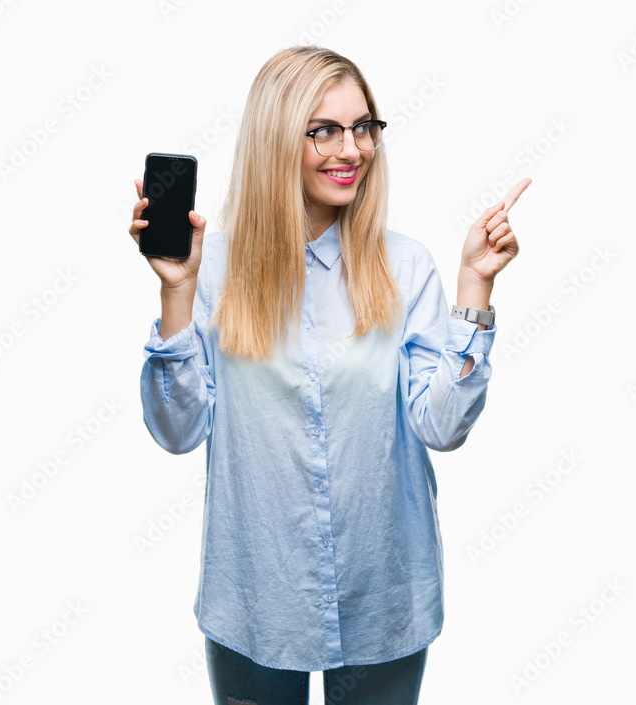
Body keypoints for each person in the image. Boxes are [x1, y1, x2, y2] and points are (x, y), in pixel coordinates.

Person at [128, 45, 529, 705]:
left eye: (363, 126)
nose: (352, 149)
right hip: (257, 602)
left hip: (384, 599)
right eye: (325, 130)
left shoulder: (406, 267)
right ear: (275, 139)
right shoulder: (211, 269)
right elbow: (177, 432)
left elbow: (442, 427)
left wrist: (475, 286)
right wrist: (176, 291)